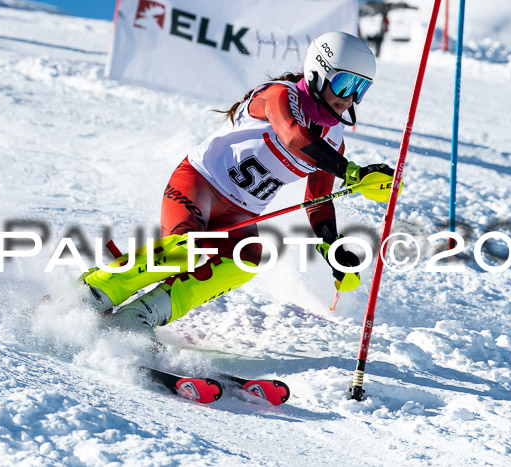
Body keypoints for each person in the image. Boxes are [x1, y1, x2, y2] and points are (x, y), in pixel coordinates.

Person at [75, 31, 395, 336]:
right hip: (199, 184)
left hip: (241, 213)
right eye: (344, 84)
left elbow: (319, 200)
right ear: (317, 73)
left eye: (360, 88)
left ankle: (142, 316)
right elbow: (294, 135)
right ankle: (94, 292)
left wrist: (332, 248)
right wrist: (350, 171)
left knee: (246, 260)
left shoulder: (334, 140)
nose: (349, 98)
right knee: (183, 250)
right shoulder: (280, 95)